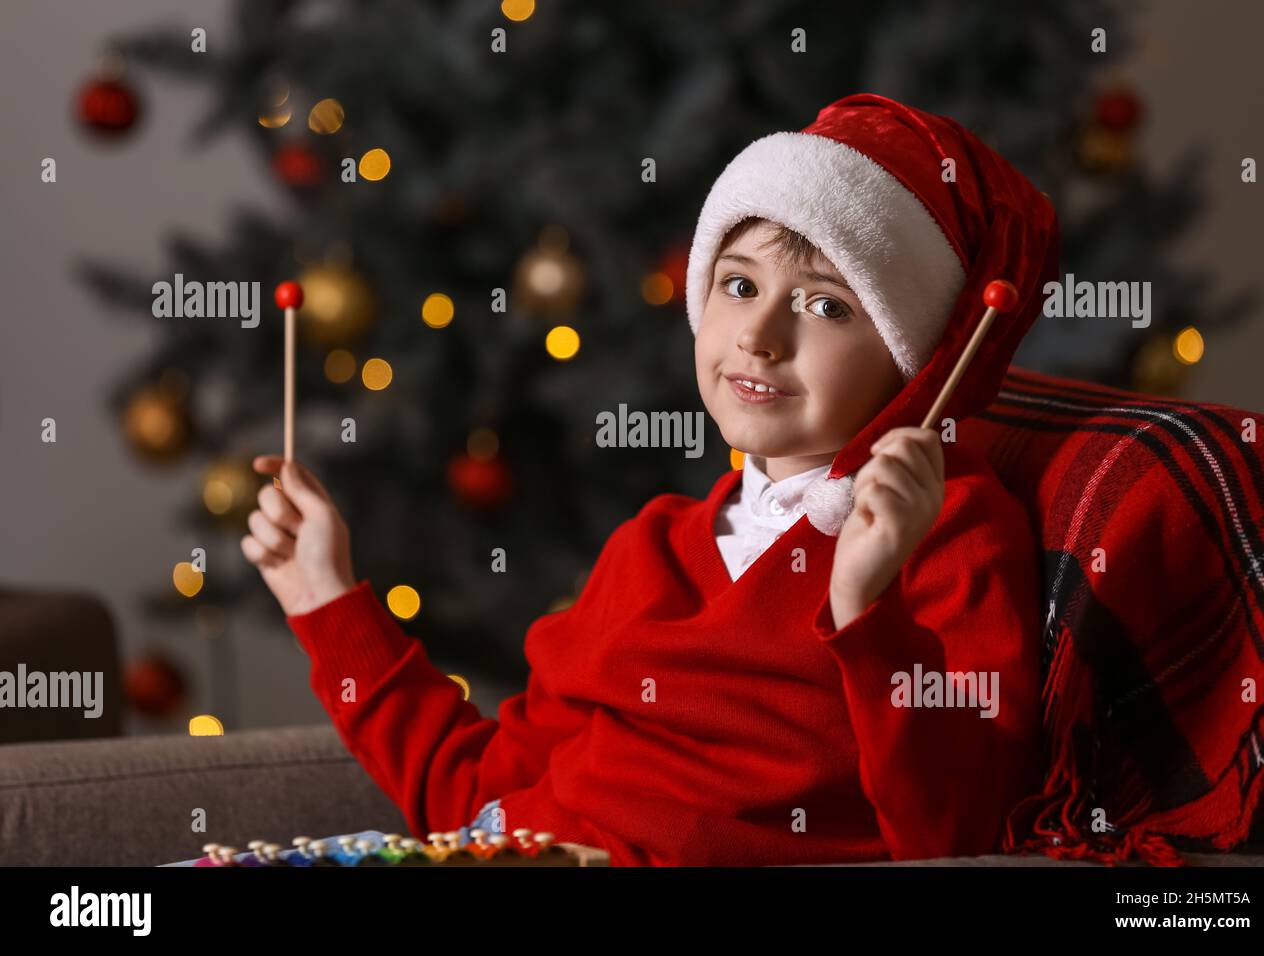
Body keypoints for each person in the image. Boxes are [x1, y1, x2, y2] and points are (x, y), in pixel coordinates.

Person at [238, 93, 1060, 866]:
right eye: (739, 286)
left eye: (827, 307)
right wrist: (323, 596)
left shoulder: (953, 529)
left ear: (912, 364)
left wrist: (865, 610)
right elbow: (476, 797)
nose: (759, 337)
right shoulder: (652, 548)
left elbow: (964, 833)